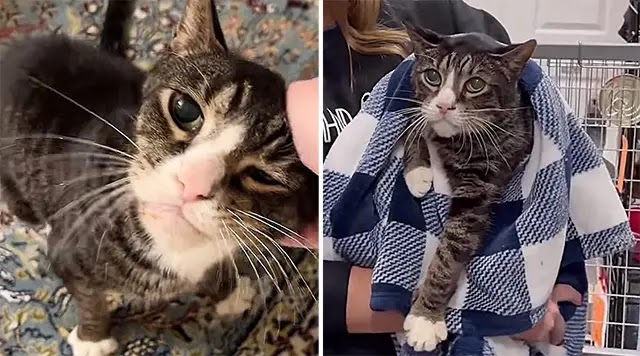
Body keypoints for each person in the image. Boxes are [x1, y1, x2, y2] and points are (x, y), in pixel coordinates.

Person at [312, 1, 586, 355]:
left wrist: (563, 275)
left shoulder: (440, 18)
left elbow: (540, 153)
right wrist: (494, 309)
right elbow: (251, 280)